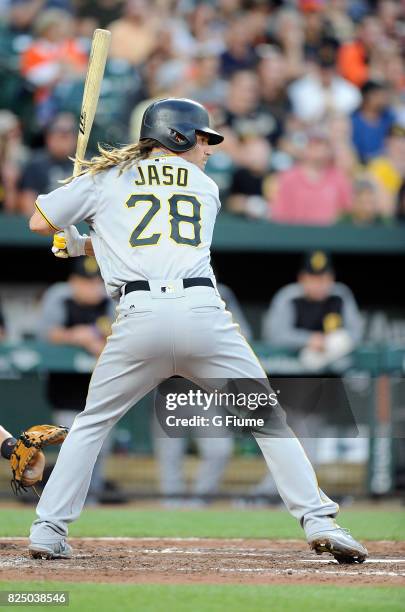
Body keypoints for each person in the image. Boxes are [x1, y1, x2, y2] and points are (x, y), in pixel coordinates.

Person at [28, 97, 367, 564]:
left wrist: (73, 231)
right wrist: (85, 237)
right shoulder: (206, 188)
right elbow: (152, 236)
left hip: (139, 316)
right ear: (177, 136)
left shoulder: (105, 178)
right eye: (202, 138)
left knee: (91, 424)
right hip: (202, 313)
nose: (208, 148)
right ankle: (319, 520)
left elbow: (40, 221)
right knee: (267, 419)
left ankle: (48, 530)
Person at [37, 256, 116, 502]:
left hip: (101, 393)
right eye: (85, 281)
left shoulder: (112, 299)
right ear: (73, 281)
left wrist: (97, 340)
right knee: (71, 449)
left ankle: (91, 499)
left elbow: (124, 332)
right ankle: (64, 500)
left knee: (101, 449)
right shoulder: (60, 295)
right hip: (66, 392)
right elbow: (45, 334)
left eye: (96, 281)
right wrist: (76, 336)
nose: (92, 287)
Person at [262, 250, 362, 369]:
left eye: (324, 279)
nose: (319, 285)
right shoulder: (289, 297)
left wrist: (328, 343)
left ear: (332, 278)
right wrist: (308, 339)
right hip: (293, 366)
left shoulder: (340, 295)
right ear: (301, 278)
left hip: (335, 363)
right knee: (309, 359)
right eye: (313, 279)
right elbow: (275, 335)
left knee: (338, 345)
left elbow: (356, 333)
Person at [271, 127, 352, 225]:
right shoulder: (289, 178)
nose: (318, 148)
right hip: (297, 236)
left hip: (330, 237)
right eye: (312, 144)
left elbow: (347, 212)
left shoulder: (338, 177)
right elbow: (280, 214)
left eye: (322, 144)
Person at [18, 113, 77, 216]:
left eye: (67, 136)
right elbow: (27, 205)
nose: (63, 141)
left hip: (79, 224)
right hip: (45, 224)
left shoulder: (87, 165)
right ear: (48, 138)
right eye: (59, 135)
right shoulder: (35, 164)